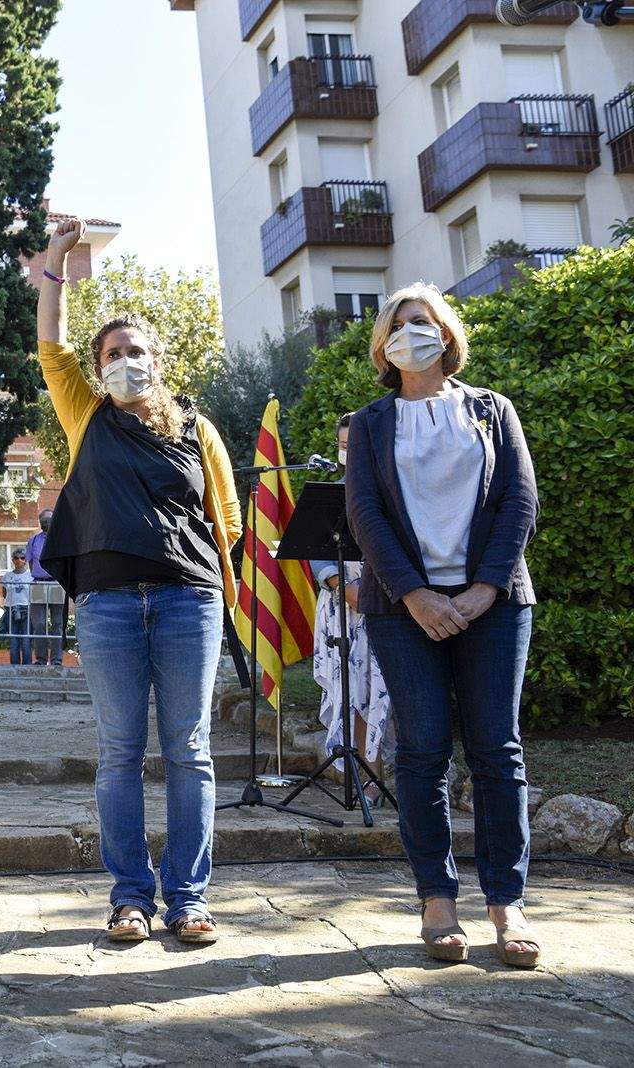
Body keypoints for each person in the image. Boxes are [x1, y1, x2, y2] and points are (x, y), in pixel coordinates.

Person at [36, 218, 241, 944]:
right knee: (120, 749)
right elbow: (51, 344)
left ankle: (188, 898)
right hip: (109, 604)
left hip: (190, 600)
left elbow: (227, 519)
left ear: (161, 359)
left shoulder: (197, 428)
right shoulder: (85, 414)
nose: (127, 360)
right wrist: (57, 261)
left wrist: (228, 594)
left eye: (138, 351)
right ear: (99, 368)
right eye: (114, 353)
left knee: (189, 749)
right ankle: (129, 896)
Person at [346, 283, 540, 968]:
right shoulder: (370, 424)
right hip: (404, 611)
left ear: (447, 334)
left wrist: (487, 585)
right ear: (383, 345)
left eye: (422, 322)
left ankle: (506, 904)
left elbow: (520, 498)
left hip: (495, 604)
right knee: (424, 753)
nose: (411, 333)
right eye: (398, 325)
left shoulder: (492, 409)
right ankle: (437, 901)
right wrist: (416, 595)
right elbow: (365, 514)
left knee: (497, 751)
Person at [310, 415, 393, 805]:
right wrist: (341, 585)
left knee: (383, 690)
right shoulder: (332, 495)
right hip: (342, 606)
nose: (348, 453)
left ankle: (383, 777)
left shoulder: (393, 488)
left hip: (390, 602)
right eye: (342, 446)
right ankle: (360, 778)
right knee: (352, 691)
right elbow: (314, 550)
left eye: (354, 445)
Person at [25, 508, 68, 666]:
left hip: (56, 584)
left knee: (57, 623)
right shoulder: (33, 541)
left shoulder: (61, 541)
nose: (46, 523)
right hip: (38, 583)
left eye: (48, 520)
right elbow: (30, 562)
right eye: (43, 521)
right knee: (39, 624)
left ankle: (56, 659)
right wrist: (39, 574)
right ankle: (41, 659)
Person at [2, 548, 33, 664]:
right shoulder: (6, 576)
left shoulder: (31, 576)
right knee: (13, 639)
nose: (19, 560)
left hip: (27, 608)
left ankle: (27, 666)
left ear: (26, 560)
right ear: (12, 560)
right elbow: (4, 593)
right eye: (16, 557)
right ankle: (14, 666)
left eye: (22, 557)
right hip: (11, 608)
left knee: (26, 639)